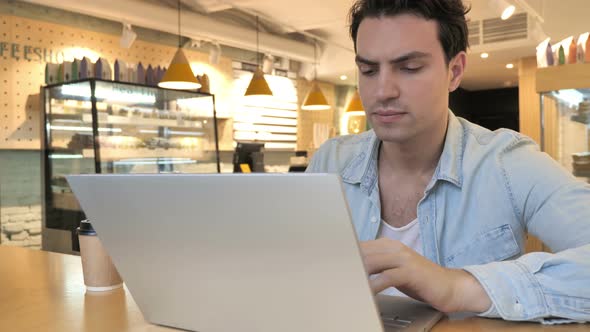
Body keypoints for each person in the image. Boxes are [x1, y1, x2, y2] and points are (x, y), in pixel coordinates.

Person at [306, 0, 590, 324]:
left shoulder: (508, 163)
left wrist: (457, 287)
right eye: (368, 70)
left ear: (454, 72)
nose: (381, 90)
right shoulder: (331, 161)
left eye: (409, 68)